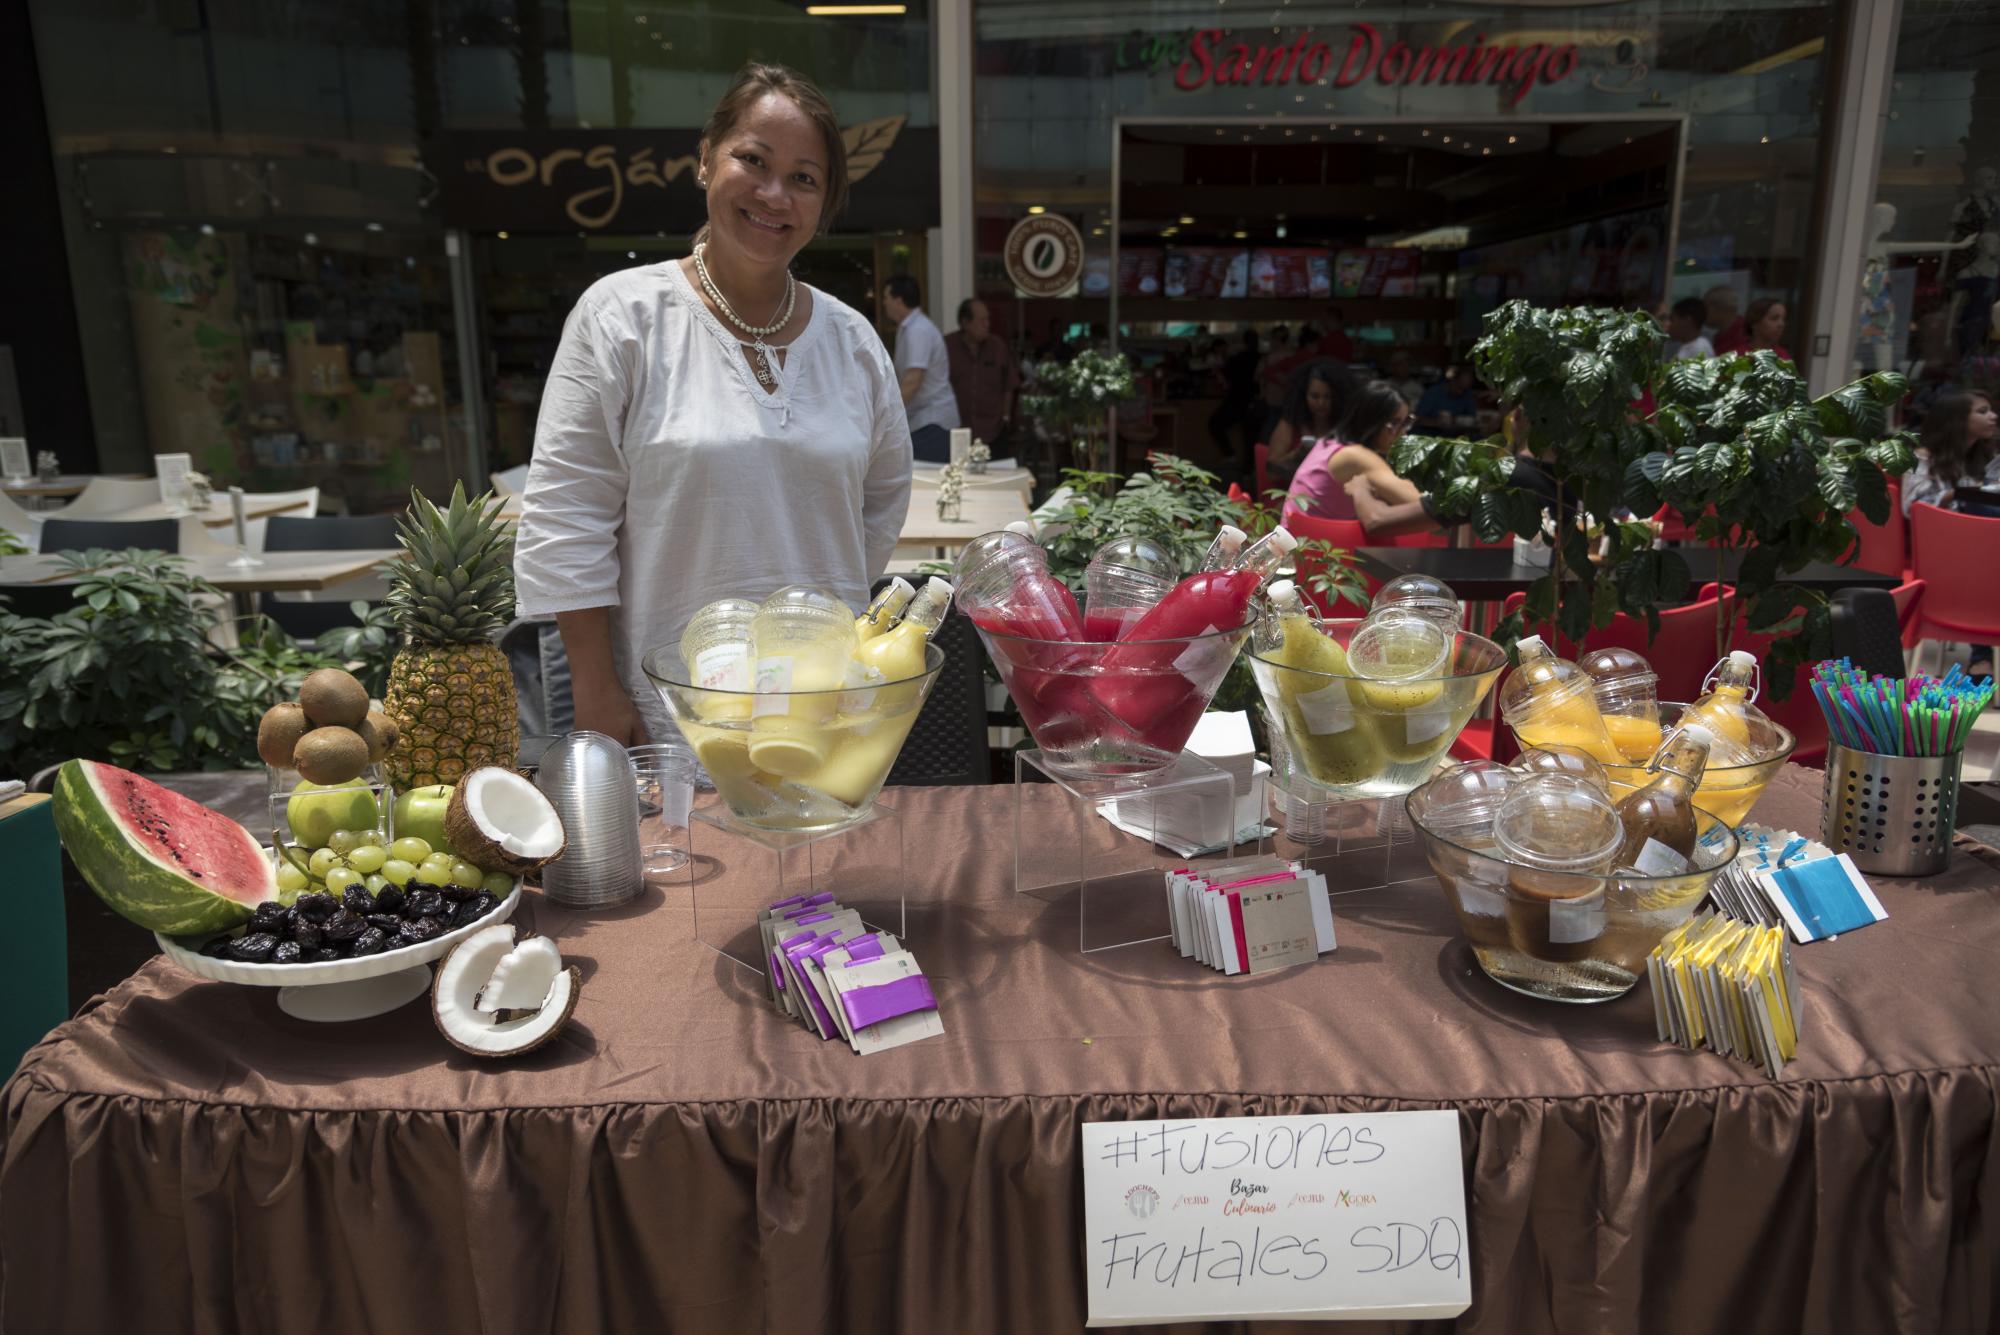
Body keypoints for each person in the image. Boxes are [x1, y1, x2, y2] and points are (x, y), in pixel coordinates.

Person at [513, 63, 913, 748]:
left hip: (825, 714)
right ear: (705, 160)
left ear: (824, 202)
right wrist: (596, 688)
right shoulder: (623, 318)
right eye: (752, 160)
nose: (773, 194)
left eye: (804, 178)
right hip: (662, 712)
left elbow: (878, 509)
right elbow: (565, 513)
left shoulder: (852, 342)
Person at [1904, 390, 2000, 681]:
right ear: (1957, 419)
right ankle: (1982, 657)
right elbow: (1911, 507)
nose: (1993, 416)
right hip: (1939, 558)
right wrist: (1951, 496)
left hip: (1978, 555)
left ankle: (1982, 658)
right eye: (1982, 411)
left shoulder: (1982, 461)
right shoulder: (1922, 460)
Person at [1285, 380, 1418, 522]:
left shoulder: (1330, 443)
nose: (1403, 434)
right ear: (1370, 422)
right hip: (1310, 543)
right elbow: (1419, 503)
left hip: (1302, 540)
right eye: (1394, 423)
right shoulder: (1354, 456)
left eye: (1406, 423)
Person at [882, 274, 959, 461]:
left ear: (898, 301)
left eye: (886, 298)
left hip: (933, 422)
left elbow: (913, 381)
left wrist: (885, 416)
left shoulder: (918, 330)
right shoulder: (910, 328)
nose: (884, 303)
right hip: (924, 421)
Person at [1265, 359, 1354, 493]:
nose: (1321, 403)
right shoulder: (1290, 424)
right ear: (1303, 396)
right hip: (1289, 493)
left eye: (1328, 397)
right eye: (1314, 396)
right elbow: (1271, 472)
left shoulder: (1346, 425)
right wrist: (1296, 455)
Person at [943, 297, 1020, 448]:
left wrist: (1005, 417)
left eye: (987, 319)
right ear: (965, 323)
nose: (987, 324)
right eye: (982, 320)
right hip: (957, 431)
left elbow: (1009, 385)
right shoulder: (947, 346)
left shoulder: (997, 347)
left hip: (993, 431)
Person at [1209, 329, 1263, 476]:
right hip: (1253, 400)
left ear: (1244, 342)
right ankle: (1248, 469)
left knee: (1215, 424)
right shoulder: (1261, 358)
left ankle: (1230, 455)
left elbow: (1223, 377)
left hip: (1236, 399)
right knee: (1250, 437)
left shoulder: (1236, 358)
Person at [1714, 297, 1791, 361]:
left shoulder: (1783, 356)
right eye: (1774, 318)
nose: (1781, 324)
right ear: (1755, 322)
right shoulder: (1737, 356)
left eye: (1783, 319)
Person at [1415, 365, 1480, 432]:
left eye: (1464, 389)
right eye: (1459, 387)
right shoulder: (1433, 393)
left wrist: (1454, 420)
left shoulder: (1467, 394)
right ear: (1452, 380)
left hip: (1455, 435)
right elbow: (1418, 419)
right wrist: (1437, 423)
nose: (1460, 392)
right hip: (1430, 434)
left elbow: (1472, 419)